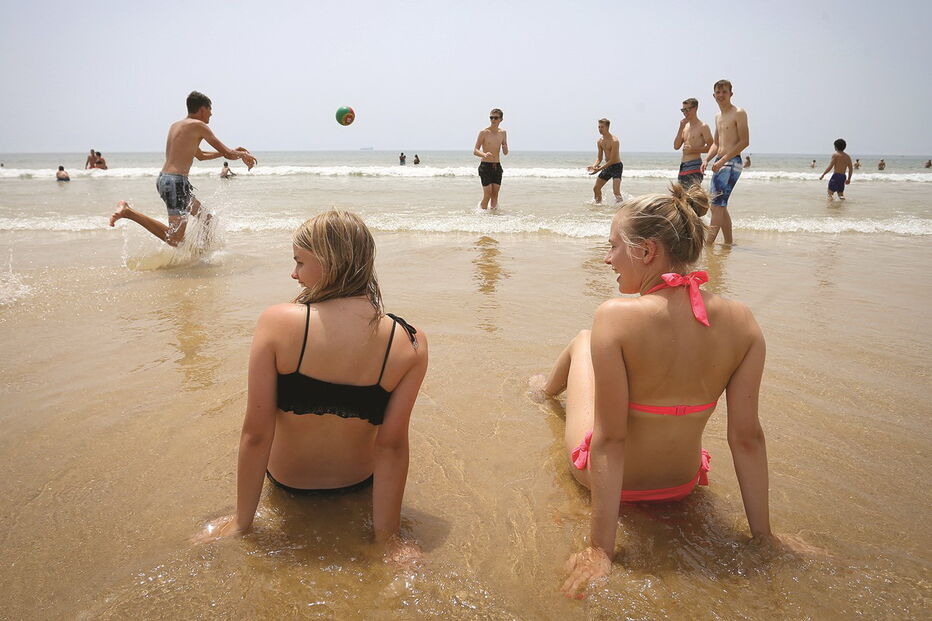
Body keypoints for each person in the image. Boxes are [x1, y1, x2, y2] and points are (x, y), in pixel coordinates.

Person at [531, 184, 781, 597]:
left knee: (583, 340)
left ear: (647, 251)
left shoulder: (615, 316)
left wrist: (600, 550)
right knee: (592, 344)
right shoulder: (742, 320)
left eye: (613, 246)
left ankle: (543, 391)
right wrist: (764, 537)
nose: (608, 258)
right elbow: (747, 437)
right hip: (682, 483)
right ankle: (544, 389)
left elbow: (611, 439)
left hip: (617, 484)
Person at [195, 210, 428, 562]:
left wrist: (242, 523)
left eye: (300, 262)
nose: (294, 273)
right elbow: (391, 446)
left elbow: (256, 434)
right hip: (359, 485)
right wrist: (389, 538)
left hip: (290, 486)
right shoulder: (409, 341)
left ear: (331, 262)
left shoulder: (277, 322)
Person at [109, 91, 256, 247]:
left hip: (169, 180)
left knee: (207, 220)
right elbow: (228, 154)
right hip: (175, 182)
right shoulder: (199, 125)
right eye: (210, 109)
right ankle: (128, 212)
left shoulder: (176, 126)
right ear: (202, 109)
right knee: (175, 238)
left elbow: (201, 155)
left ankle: (202, 254)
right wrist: (241, 154)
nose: (211, 114)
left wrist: (232, 152)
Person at [701, 79, 749, 245]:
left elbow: (744, 142)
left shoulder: (739, 113)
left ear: (731, 94)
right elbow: (716, 143)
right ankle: (728, 243)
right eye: (718, 92)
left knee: (716, 206)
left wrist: (723, 160)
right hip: (720, 161)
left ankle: (708, 245)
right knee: (720, 205)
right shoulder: (718, 116)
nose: (721, 95)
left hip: (731, 162)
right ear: (713, 95)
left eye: (724, 92)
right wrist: (707, 159)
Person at [473, 108, 509, 210]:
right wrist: (484, 154)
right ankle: (482, 213)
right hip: (485, 166)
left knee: (495, 194)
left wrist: (505, 147)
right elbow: (475, 150)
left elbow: (505, 152)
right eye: (491, 117)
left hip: (497, 166)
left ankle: (493, 215)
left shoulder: (503, 133)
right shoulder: (484, 132)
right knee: (488, 194)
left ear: (501, 119)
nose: (493, 120)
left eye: (495, 118)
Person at [673, 99, 713, 189]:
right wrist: (681, 127)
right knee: (681, 196)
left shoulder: (703, 126)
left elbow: (712, 147)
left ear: (695, 108)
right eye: (683, 110)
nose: (685, 113)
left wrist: (693, 150)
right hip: (683, 166)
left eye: (687, 109)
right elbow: (676, 146)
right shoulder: (685, 127)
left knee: (692, 195)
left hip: (694, 165)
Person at [587, 118, 624, 203]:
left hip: (616, 167)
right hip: (607, 166)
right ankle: (598, 206)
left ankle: (622, 207)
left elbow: (612, 160)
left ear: (607, 127)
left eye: (602, 127)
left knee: (616, 192)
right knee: (596, 188)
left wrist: (599, 169)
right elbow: (599, 158)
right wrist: (594, 166)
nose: (600, 129)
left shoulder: (614, 141)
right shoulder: (600, 141)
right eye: (599, 127)